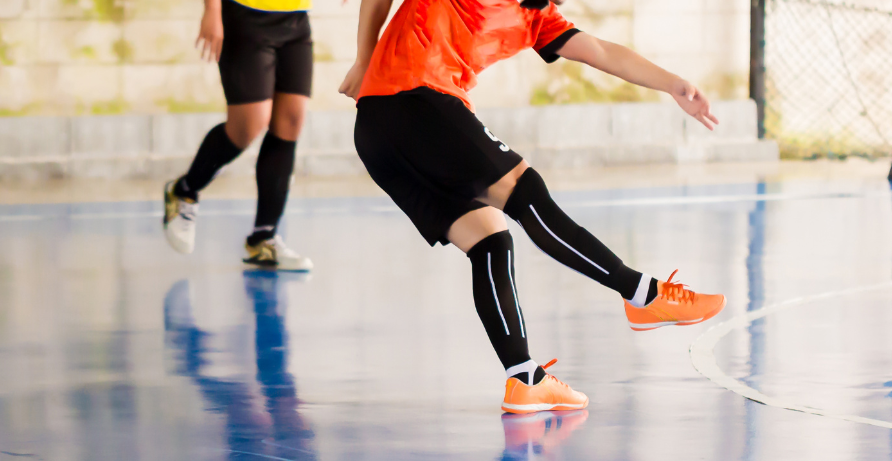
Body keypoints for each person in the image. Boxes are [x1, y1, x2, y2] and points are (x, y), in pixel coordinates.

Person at [338, 0, 727, 414]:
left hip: (378, 135)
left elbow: (600, 51)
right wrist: (364, 59)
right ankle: (642, 294)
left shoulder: (537, 18)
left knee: (489, 242)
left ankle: (524, 378)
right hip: (416, 101)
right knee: (528, 193)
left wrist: (673, 84)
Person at [162, 0, 315, 271]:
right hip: (245, 14)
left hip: (296, 17)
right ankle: (183, 192)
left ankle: (263, 240)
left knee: (291, 120)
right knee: (248, 125)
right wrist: (212, 9)